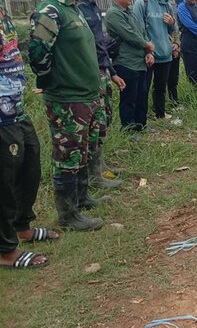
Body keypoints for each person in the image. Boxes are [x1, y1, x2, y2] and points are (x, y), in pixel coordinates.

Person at [30, 0, 105, 231]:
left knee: (83, 149)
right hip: (67, 98)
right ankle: (68, 214)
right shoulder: (51, 10)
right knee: (68, 153)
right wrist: (52, 80)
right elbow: (37, 50)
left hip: (87, 95)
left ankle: (82, 198)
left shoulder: (75, 10)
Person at [0, 0, 56, 269]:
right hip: (1, 112)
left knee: (30, 163)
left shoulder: (4, 12)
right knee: (5, 179)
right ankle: (6, 250)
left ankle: (23, 226)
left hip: (16, 108)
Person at [78, 0, 126, 190]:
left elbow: (101, 46)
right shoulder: (78, 9)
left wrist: (112, 72)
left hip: (103, 70)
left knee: (103, 119)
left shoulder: (93, 7)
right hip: (90, 73)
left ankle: (100, 167)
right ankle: (94, 176)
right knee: (93, 123)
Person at [106, 0, 155, 132]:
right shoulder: (113, 14)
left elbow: (142, 31)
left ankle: (141, 124)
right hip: (126, 61)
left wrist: (148, 52)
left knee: (142, 95)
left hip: (140, 62)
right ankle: (129, 128)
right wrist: (146, 45)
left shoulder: (130, 13)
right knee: (129, 98)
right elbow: (129, 35)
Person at [133, 0, 177, 119]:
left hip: (165, 53)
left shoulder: (167, 5)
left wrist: (172, 23)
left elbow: (174, 29)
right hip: (148, 55)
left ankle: (160, 114)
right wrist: (148, 50)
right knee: (143, 89)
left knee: (161, 87)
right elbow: (138, 28)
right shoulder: (142, 3)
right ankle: (141, 118)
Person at [167, 0, 181, 107]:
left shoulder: (170, 6)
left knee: (174, 77)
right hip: (163, 49)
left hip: (174, 46)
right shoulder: (150, 6)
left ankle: (174, 100)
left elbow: (175, 28)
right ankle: (159, 106)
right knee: (161, 81)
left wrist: (176, 44)